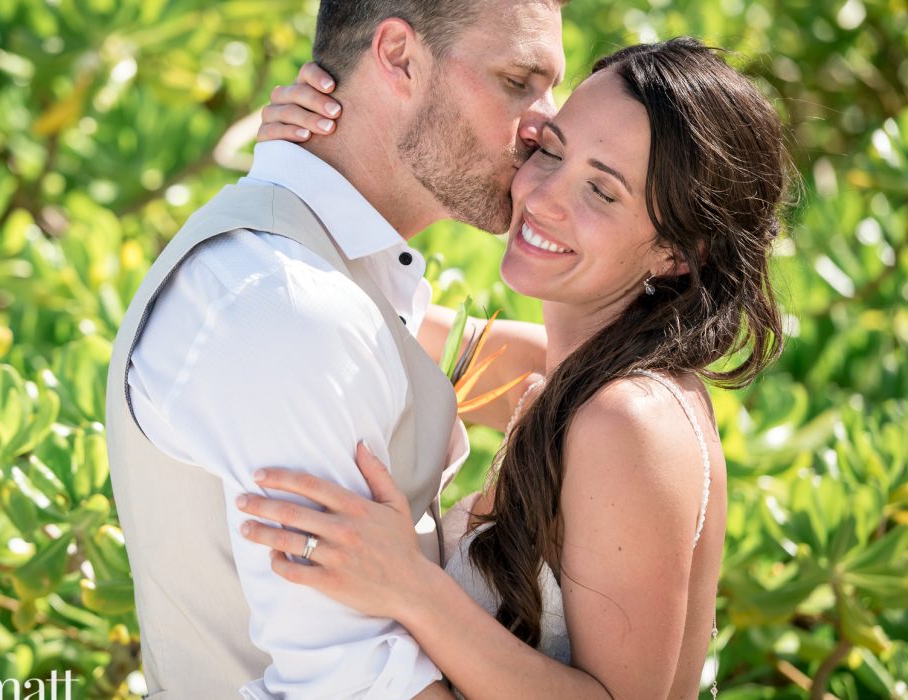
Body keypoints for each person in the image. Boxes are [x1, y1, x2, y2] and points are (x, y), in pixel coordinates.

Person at [238, 38, 789, 698]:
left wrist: (408, 586)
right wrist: (300, 166)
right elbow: (343, 314)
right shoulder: (567, 375)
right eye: (550, 150)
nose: (545, 196)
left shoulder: (628, 420)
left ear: (676, 252)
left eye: (601, 192)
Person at [104, 1, 565, 697]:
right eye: (518, 81)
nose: (547, 125)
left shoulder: (338, 280)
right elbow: (355, 686)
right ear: (399, 58)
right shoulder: (286, 309)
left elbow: (576, 384)